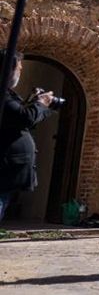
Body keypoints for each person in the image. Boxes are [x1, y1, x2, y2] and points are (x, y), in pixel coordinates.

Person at [0, 50, 55, 223]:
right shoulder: (3, 94)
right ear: (9, 69)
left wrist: (37, 105)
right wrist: (40, 103)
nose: (20, 72)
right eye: (19, 68)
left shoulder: (8, 94)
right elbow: (25, 117)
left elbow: (21, 119)